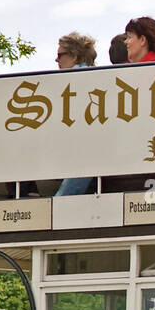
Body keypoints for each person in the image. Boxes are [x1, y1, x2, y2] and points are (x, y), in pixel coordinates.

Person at [53, 33, 99, 197]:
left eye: (60, 55)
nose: (56, 60)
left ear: (73, 57)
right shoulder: (95, 77)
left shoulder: (75, 81)